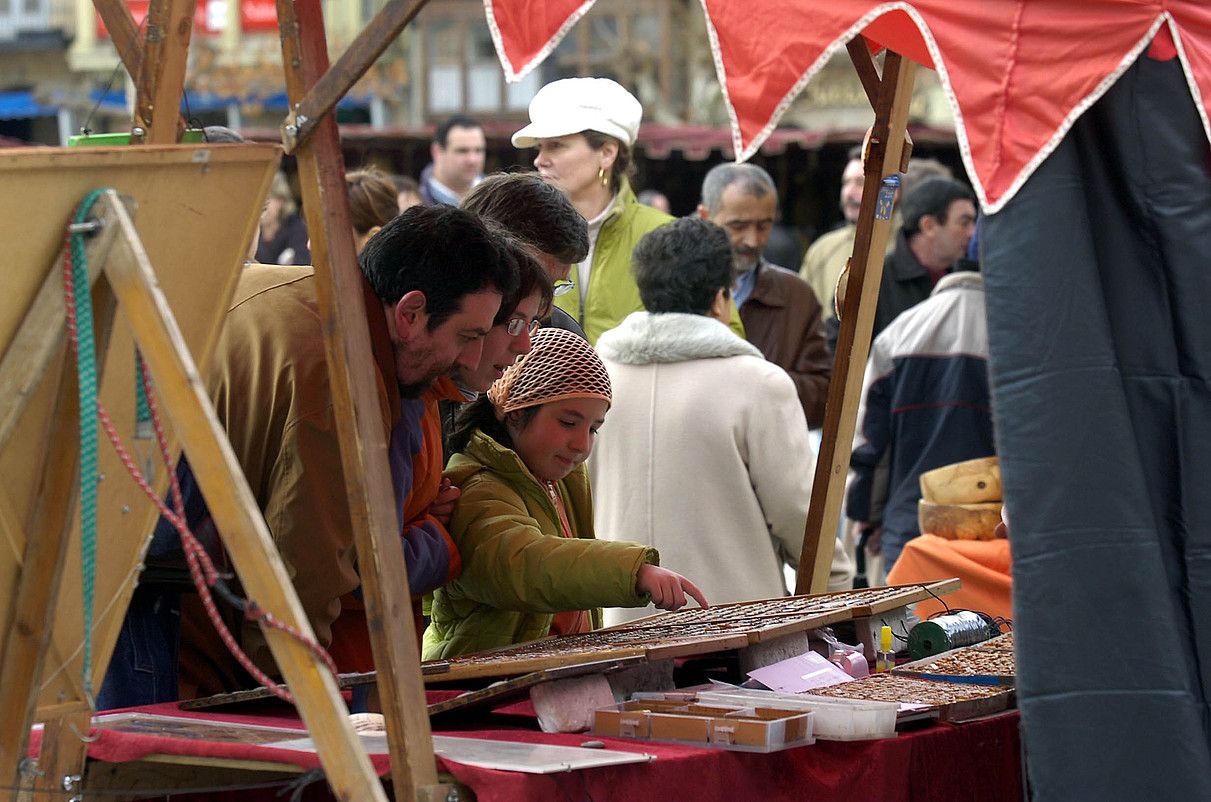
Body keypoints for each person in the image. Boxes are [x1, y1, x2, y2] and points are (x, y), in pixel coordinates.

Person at [99, 205, 520, 705]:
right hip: (173, 639)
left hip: (134, 600)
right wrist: (304, 716)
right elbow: (302, 580)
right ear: (409, 314)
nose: (471, 359)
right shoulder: (340, 379)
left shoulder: (295, 288)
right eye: (468, 336)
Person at [590, 218, 852, 627]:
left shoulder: (597, 374)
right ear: (720, 298)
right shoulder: (759, 384)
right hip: (737, 627)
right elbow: (799, 515)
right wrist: (838, 588)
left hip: (617, 621)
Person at [423, 327, 707, 659]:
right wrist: (634, 571)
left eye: (593, 428)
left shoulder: (560, 480)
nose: (582, 444)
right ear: (516, 412)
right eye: (568, 423)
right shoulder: (475, 486)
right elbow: (527, 564)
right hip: (475, 692)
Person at [846, 266, 994, 576]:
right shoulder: (1015, 335)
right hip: (994, 527)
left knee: (908, 622)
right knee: (998, 622)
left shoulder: (898, 334)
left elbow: (871, 442)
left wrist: (868, 514)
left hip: (911, 522)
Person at [512, 77, 672, 344]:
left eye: (557, 145)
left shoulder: (664, 236)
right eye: (540, 147)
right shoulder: (516, 236)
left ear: (607, 152)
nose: (540, 160)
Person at [697, 162, 831, 428]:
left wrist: (752, 383)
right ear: (705, 216)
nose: (753, 241)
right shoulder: (676, 289)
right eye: (738, 226)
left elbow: (821, 397)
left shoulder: (797, 297)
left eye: (764, 226)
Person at [420, 115, 486, 206]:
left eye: (478, 150)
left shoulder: (498, 200)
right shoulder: (414, 202)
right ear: (437, 151)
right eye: (462, 151)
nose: (472, 160)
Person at [255, 171, 311, 265]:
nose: (259, 205)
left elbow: (301, 266)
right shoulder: (252, 234)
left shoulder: (298, 230)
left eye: (266, 199)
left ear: (280, 201)